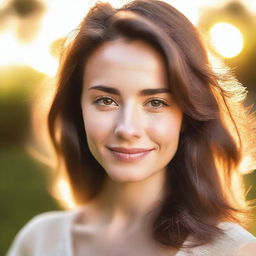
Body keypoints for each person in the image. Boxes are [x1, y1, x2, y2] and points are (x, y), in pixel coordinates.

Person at [7, 0, 256, 255]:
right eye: (106, 101)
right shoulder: (39, 241)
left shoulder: (236, 251)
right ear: (77, 108)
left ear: (188, 115)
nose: (127, 128)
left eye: (156, 102)